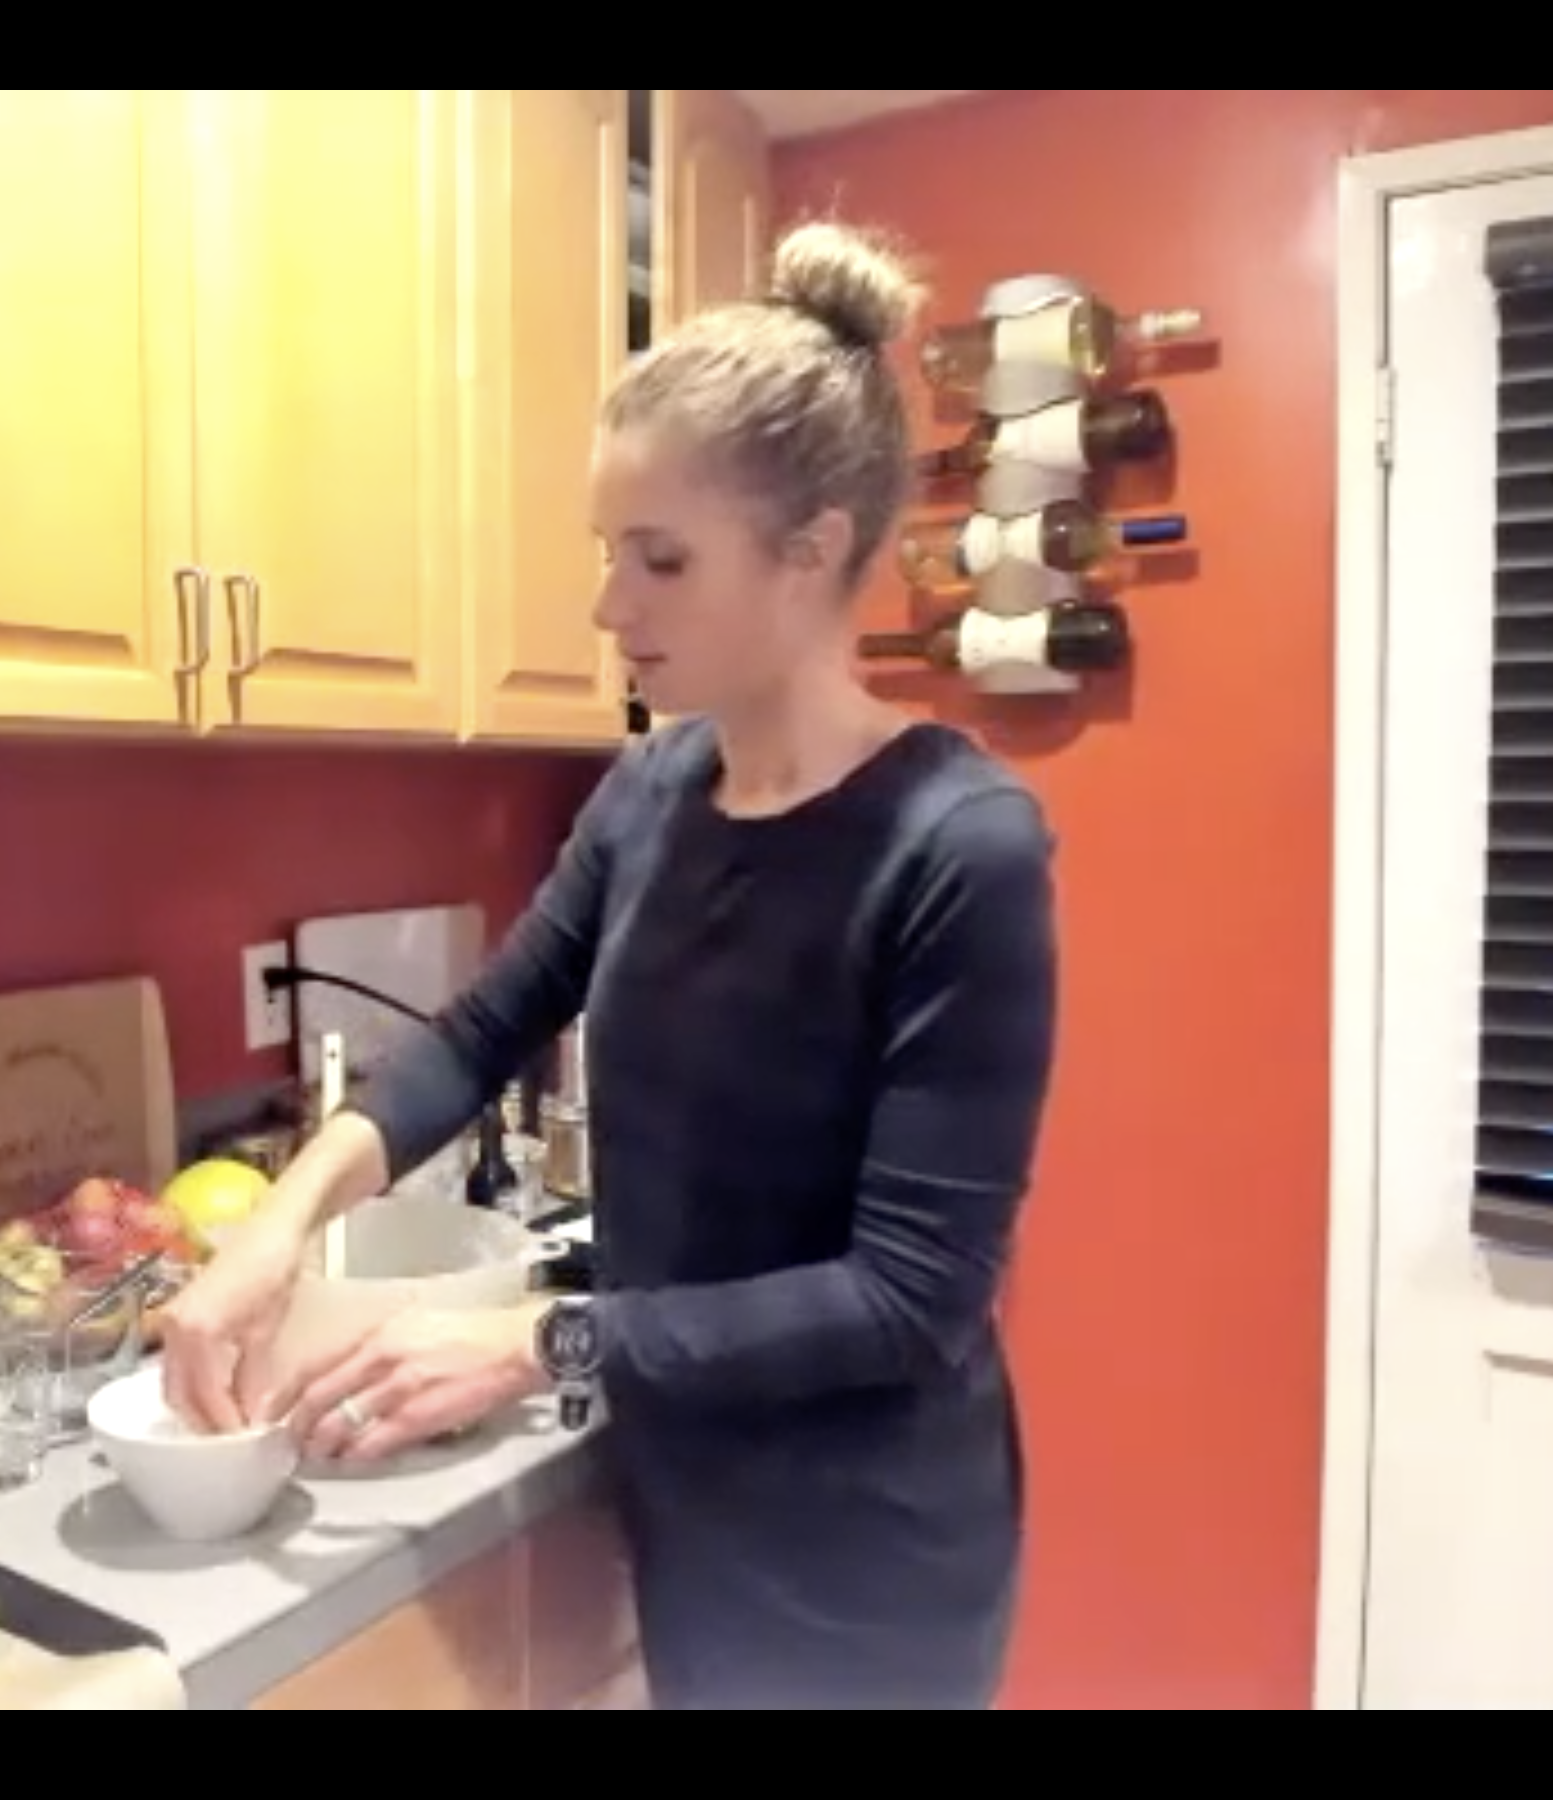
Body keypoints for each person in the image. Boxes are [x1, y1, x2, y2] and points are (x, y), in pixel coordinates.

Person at [159, 219, 1060, 1712]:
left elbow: (913, 1296)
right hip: (680, 1495)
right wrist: (279, 1222)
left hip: (868, 1565)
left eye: (660, 559)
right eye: (606, 554)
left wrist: (542, 1337)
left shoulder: (960, 847)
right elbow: (483, 1027)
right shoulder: (648, 795)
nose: (605, 606)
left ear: (812, 551)